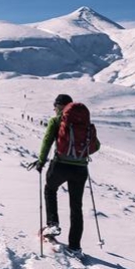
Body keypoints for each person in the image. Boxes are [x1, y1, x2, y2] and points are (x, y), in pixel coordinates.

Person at [34, 94, 100, 258]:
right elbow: (96, 146)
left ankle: (53, 224)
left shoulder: (56, 121)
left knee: (50, 189)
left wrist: (41, 161)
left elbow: (47, 141)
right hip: (80, 169)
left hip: (60, 165)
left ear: (58, 106)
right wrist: (80, 152)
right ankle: (75, 246)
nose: (54, 109)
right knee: (76, 206)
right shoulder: (84, 123)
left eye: (55, 106)